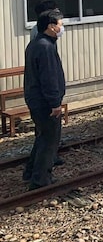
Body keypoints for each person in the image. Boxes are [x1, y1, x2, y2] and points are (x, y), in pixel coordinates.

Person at [23, 10, 66, 189]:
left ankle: (30, 171)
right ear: (51, 27)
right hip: (44, 103)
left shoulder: (35, 44)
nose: (62, 27)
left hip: (35, 100)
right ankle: (40, 181)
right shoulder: (45, 47)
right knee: (49, 140)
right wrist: (55, 103)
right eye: (60, 24)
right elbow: (48, 78)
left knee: (42, 137)